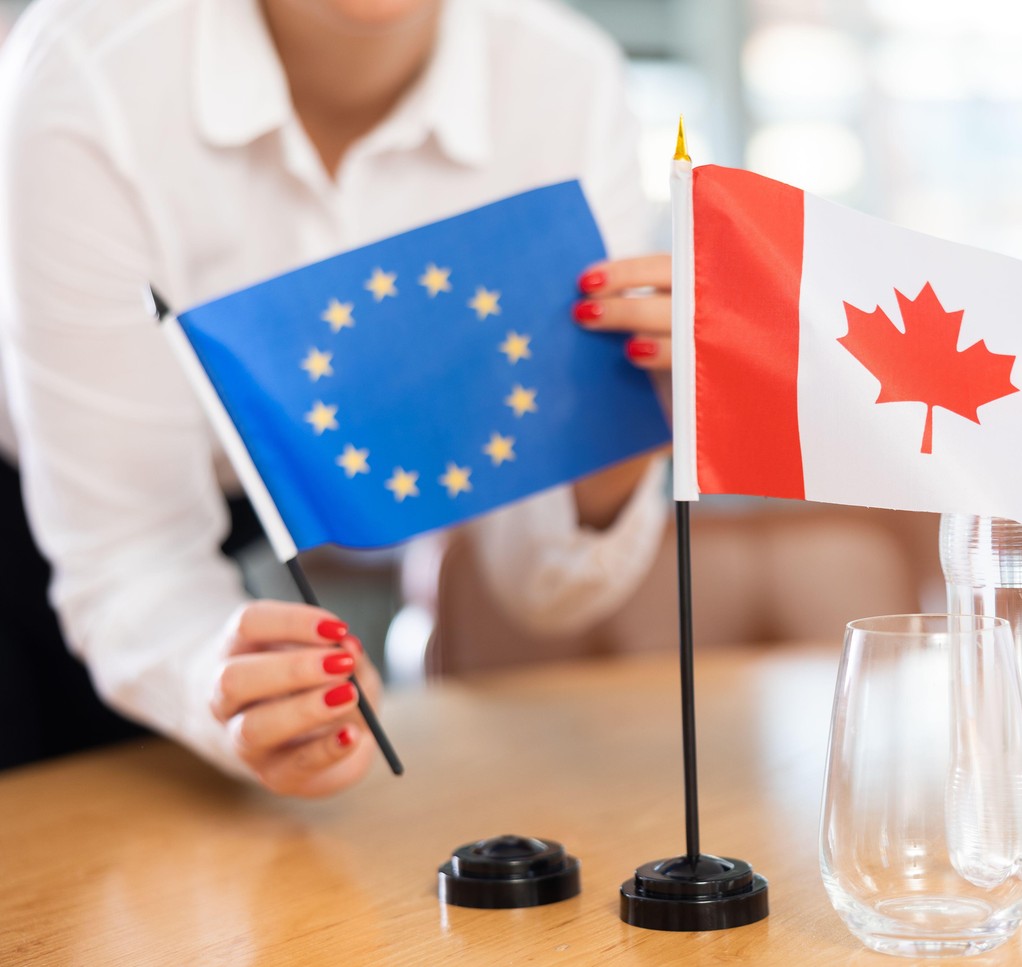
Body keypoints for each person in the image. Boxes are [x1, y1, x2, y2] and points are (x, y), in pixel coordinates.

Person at [0, 0, 676, 796]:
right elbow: (127, 551)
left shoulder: (567, 82)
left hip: (228, 521)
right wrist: (209, 681)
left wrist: (631, 423)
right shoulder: (93, 68)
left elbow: (541, 589)